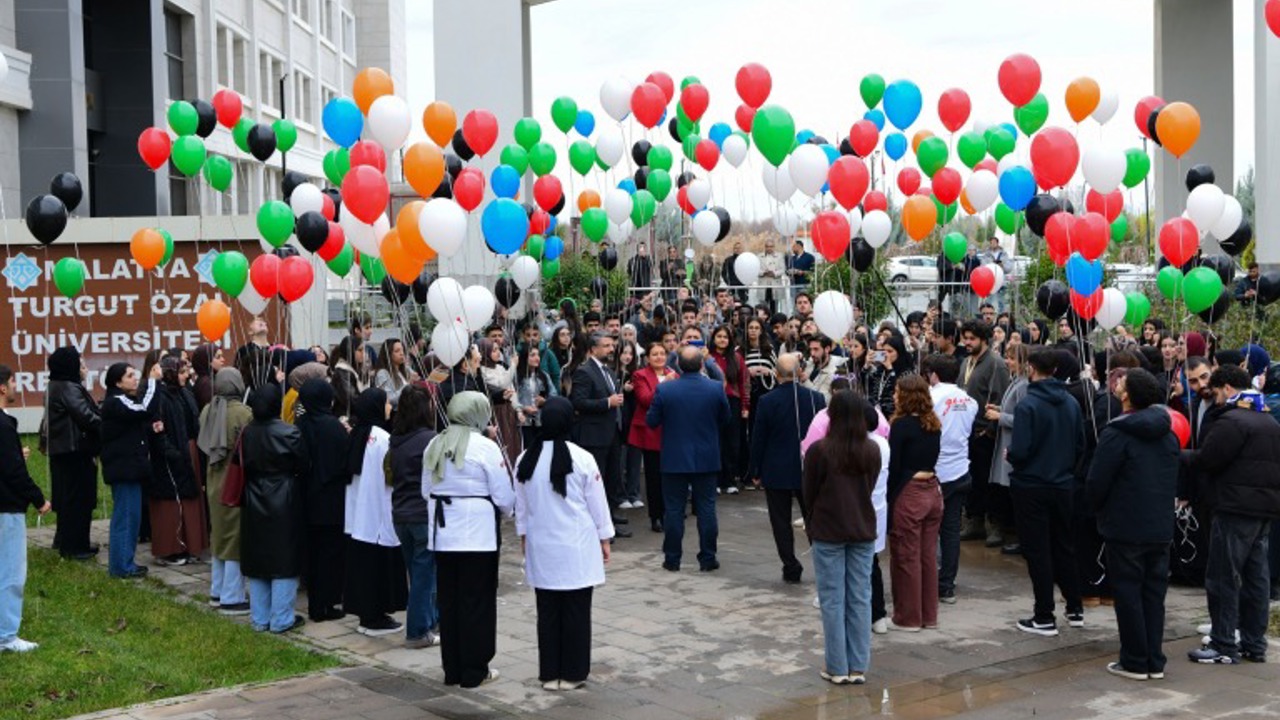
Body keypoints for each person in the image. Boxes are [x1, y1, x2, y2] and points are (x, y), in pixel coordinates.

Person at [515, 396, 615, 691]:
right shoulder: (583, 458)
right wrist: (604, 537)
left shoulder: (526, 459)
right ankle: (572, 673)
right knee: (575, 612)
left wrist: (523, 536)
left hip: (542, 545)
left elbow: (521, 507)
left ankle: (549, 673)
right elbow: (598, 504)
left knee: (546, 612)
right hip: (576, 546)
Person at [1085, 368, 1178, 680]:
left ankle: (1136, 660)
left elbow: (1097, 481)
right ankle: (1154, 659)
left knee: (1128, 593)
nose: (1116, 384)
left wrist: (1097, 509)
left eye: (1122, 382)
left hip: (1125, 525)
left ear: (1127, 395)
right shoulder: (1168, 433)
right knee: (1154, 594)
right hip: (1160, 525)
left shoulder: (1117, 433)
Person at [1184, 365, 1280, 664]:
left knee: (1224, 576)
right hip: (1264, 507)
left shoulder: (1232, 421)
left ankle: (1224, 643)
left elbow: (1208, 459)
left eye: (1215, 391)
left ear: (1227, 388)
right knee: (1256, 578)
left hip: (1235, 507)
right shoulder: (1268, 421)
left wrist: (1179, 454)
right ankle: (1254, 643)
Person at [425, 392, 516, 688]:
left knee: (448, 601)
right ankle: (474, 669)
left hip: (443, 535)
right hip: (477, 536)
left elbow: (426, 489)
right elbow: (503, 494)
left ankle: (452, 669)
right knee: (476, 601)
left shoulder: (435, 443)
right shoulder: (485, 447)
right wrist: (509, 511)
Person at [802, 391, 880, 685]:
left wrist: (813, 522)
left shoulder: (819, 451)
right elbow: (869, 487)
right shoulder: (871, 450)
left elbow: (808, 491)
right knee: (860, 597)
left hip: (828, 529)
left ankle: (837, 666)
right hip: (862, 527)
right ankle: (858, 666)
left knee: (833, 600)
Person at [1006, 348, 1085, 636]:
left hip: (1032, 484)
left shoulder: (1028, 405)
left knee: (1037, 550)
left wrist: (1011, 454)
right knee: (1064, 545)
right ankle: (1075, 607)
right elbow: (1080, 444)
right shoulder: (1071, 403)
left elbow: (1022, 450)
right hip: (1063, 483)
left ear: (1031, 369)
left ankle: (1044, 615)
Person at [646, 346, 730, 572]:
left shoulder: (666, 389)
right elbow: (726, 418)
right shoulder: (714, 388)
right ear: (702, 365)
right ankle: (708, 557)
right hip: (706, 456)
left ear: (678, 366)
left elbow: (651, 421)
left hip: (674, 457)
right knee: (707, 508)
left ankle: (672, 559)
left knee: (673, 510)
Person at [749, 353, 826, 583]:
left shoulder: (768, 401)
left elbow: (758, 438)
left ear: (776, 374)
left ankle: (790, 565)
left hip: (776, 467)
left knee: (780, 520)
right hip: (809, 467)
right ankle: (823, 564)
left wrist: (755, 470)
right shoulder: (816, 398)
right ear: (799, 372)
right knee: (814, 519)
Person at [240, 384, 308, 634]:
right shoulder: (290, 432)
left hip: (253, 494)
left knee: (257, 556)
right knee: (285, 558)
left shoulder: (246, 432)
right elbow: (303, 463)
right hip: (284, 496)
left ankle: (259, 618)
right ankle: (281, 618)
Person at [345, 388, 408, 637]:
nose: (390, 407)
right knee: (377, 566)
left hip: (359, 512)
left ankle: (369, 614)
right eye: (386, 403)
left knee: (364, 564)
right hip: (378, 510)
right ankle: (374, 617)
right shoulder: (381, 438)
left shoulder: (357, 434)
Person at [886, 375, 944, 633]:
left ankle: (908, 617)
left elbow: (894, 468)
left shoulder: (901, 425)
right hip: (933, 491)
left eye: (898, 392)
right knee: (927, 557)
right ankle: (928, 615)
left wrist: (888, 499)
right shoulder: (933, 423)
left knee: (906, 556)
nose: (894, 396)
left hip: (910, 493)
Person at [0, 365, 51, 652]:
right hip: (6, 506)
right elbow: (14, 473)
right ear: (2, 388)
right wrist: (39, 498)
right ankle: (6, 635)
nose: (15, 385)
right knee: (10, 571)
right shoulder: (4, 425)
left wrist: (14, 455)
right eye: (12, 381)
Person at [197, 368, 253, 612]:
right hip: (235, 481)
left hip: (213, 479)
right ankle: (232, 596)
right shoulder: (243, 413)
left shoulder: (208, 409)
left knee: (218, 536)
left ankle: (217, 591)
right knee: (235, 538)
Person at [923, 354, 977, 604]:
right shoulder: (970, 401)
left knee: (929, 530)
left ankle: (929, 581)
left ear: (933, 374)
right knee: (951, 530)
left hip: (935, 472)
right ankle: (947, 585)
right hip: (960, 470)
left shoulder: (931, 398)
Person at [389, 386, 440, 648]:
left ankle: (429, 621)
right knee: (424, 575)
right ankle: (418, 630)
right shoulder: (431, 439)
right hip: (422, 514)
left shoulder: (395, 439)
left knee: (417, 571)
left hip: (400, 514)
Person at [295, 379, 350, 622]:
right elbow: (344, 462)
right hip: (331, 499)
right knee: (331, 554)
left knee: (313, 554)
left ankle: (316, 604)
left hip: (307, 497)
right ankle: (327, 604)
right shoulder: (333, 427)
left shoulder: (300, 424)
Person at [100, 363, 160, 579]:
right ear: (117, 382)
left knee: (130, 517)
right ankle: (121, 566)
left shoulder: (122, 401)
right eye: (130, 376)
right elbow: (144, 408)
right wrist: (152, 381)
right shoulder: (116, 402)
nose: (135, 379)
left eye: (136, 375)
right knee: (125, 518)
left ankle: (125, 562)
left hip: (130, 469)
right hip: (124, 470)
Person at [570, 333, 632, 538]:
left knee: (613, 478)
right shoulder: (584, 372)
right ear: (593, 349)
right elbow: (578, 402)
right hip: (594, 435)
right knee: (597, 482)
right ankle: (597, 527)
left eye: (612, 345)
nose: (611, 349)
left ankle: (610, 519)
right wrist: (607, 402)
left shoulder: (609, 371)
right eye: (606, 346)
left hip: (613, 432)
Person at [149, 357, 208, 566]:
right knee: (171, 503)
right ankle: (170, 548)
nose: (187, 375)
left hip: (189, 449)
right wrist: (171, 453)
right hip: (172, 455)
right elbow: (157, 429)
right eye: (183, 372)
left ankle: (191, 544)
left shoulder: (185, 393)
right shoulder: (160, 397)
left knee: (190, 500)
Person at [44, 347, 101, 560]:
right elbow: (85, 416)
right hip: (75, 450)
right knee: (78, 500)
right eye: (79, 362)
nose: (82, 365)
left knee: (72, 499)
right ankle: (75, 547)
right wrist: (108, 423)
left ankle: (77, 543)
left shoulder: (56, 385)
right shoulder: (68, 387)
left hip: (65, 450)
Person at [959, 320, 1012, 547]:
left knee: (988, 482)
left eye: (972, 339)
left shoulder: (996, 364)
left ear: (984, 339)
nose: (967, 343)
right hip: (966, 430)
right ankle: (975, 521)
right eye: (965, 338)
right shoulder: (966, 362)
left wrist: (989, 432)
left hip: (984, 432)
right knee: (972, 481)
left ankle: (995, 524)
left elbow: (998, 398)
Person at [987, 344, 1031, 555]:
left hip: (1012, 444)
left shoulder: (1023, 385)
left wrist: (1000, 417)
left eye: (1012, 358)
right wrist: (999, 409)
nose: (1008, 362)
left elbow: (1024, 418)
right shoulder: (1016, 381)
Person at [630, 343, 676, 533]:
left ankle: (669, 513)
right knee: (653, 476)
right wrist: (664, 383)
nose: (659, 357)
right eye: (654, 354)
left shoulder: (674, 374)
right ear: (648, 357)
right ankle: (656, 516)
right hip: (650, 431)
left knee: (671, 475)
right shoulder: (640, 375)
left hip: (671, 432)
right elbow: (645, 400)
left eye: (662, 353)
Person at [709, 325, 750, 494]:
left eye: (725, 337)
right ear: (713, 338)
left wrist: (745, 406)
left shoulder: (737, 358)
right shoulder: (708, 357)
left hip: (733, 401)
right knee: (715, 440)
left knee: (732, 442)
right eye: (719, 336)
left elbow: (744, 383)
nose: (722, 340)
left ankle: (731, 479)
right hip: (712, 403)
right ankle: (716, 480)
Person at [477, 338, 522, 467]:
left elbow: (511, 390)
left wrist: (518, 410)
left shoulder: (500, 367)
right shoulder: (482, 371)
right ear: (485, 352)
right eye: (494, 350)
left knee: (513, 443)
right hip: (497, 413)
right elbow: (503, 384)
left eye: (498, 349)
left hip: (508, 411)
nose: (498, 353)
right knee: (502, 443)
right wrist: (513, 366)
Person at [515, 343, 555, 451]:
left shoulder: (543, 375)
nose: (537, 358)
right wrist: (523, 407)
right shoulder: (517, 376)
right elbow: (511, 398)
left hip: (540, 420)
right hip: (523, 421)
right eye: (532, 355)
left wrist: (545, 401)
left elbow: (554, 394)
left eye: (538, 355)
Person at [329, 335, 366, 421]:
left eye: (363, 350)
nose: (363, 353)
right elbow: (351, 400)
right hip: (346, 418)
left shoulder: (355, 369)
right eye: (360, 350)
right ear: (350, 352)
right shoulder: (343, 371)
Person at [372, 338, 413, 408]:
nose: (402, 353)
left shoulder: (403, 371)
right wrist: (407, 385)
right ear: (388, 354)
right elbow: (390, 399)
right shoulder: (383, 373)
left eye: (402, 350)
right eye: (397, 351)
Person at [804, 335, 846, 401]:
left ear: (827, 349)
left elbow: (824, 399)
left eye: (816, 349)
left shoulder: (834, 371)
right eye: (810, 349)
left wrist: (805, 381)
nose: (812, 353)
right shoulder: (810, 362)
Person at [759, 239, 786, 312]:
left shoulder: (779, 256)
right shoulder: (759, 256)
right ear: (765, 247)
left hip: (775, 284)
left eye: (771, 246)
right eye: (767, 246)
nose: (769, 248)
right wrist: (763, 273)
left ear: (773, 247)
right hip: (764, 284)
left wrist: (774, 273)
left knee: (775, 306)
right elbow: (756, 270)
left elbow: (782, 269)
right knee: (763, 307)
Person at [786, 241, 814, 308]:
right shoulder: (792, 258)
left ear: (799, 246)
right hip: (793, 285)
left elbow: (813, 271)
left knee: (804, 301)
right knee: (794, 302)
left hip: (805, 284)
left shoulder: (809, 257)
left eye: (794, 247)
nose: (792, 249)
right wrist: (790, 272)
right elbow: (787, 270)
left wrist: (802, 272)